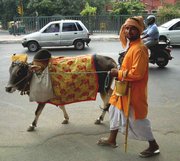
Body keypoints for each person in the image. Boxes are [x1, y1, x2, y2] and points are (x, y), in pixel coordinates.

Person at [97, 16, 160, 158]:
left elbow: (137, 74)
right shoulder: (131, 46)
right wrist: (118, 72)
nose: (129, 31)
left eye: (133, 29)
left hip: (133, 92)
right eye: (126, 28)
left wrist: (117, 73)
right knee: (113, 110)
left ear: (139, 31)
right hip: (123, 90)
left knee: (136, 120)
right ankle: (112, 139)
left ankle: (153, 145)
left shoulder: (140, 49)